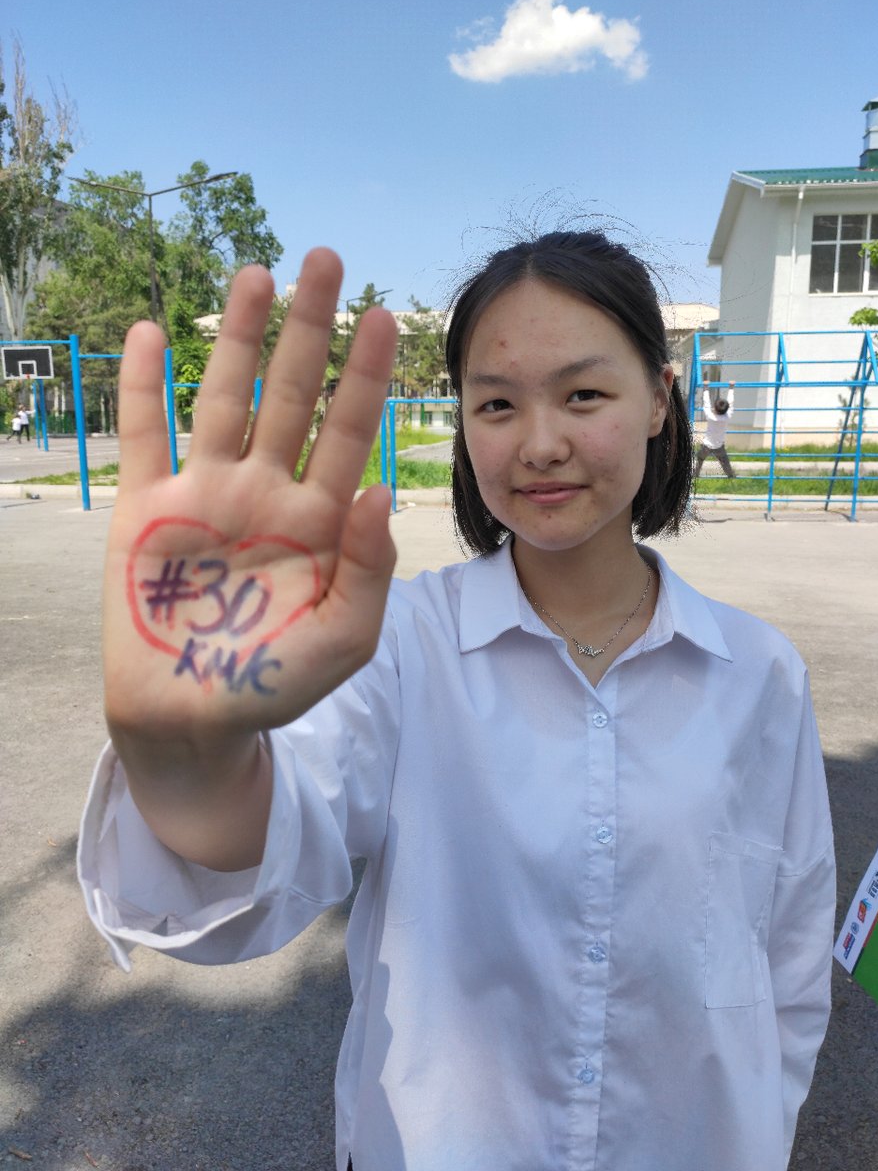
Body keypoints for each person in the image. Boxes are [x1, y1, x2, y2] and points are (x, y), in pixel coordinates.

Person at [78, 233, 835, 1171]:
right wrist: (183, 754)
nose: (541, 442)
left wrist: (763, 1128)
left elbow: (789, 962)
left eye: (585, 394)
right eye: (497, 405)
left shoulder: (760, 672)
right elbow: (267, 848)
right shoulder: (392, 644)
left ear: (658, 401)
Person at [694, 377, 736, 477]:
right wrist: (731, 388)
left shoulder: (710, 416)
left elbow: (706, 404)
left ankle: (695, 474)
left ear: (715, 409)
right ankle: (731, 475)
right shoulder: (727, 416)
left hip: (707, 445)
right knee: (725, 462)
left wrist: (705, 387)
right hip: (719, 445)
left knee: (699, 459)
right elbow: (731, 403)